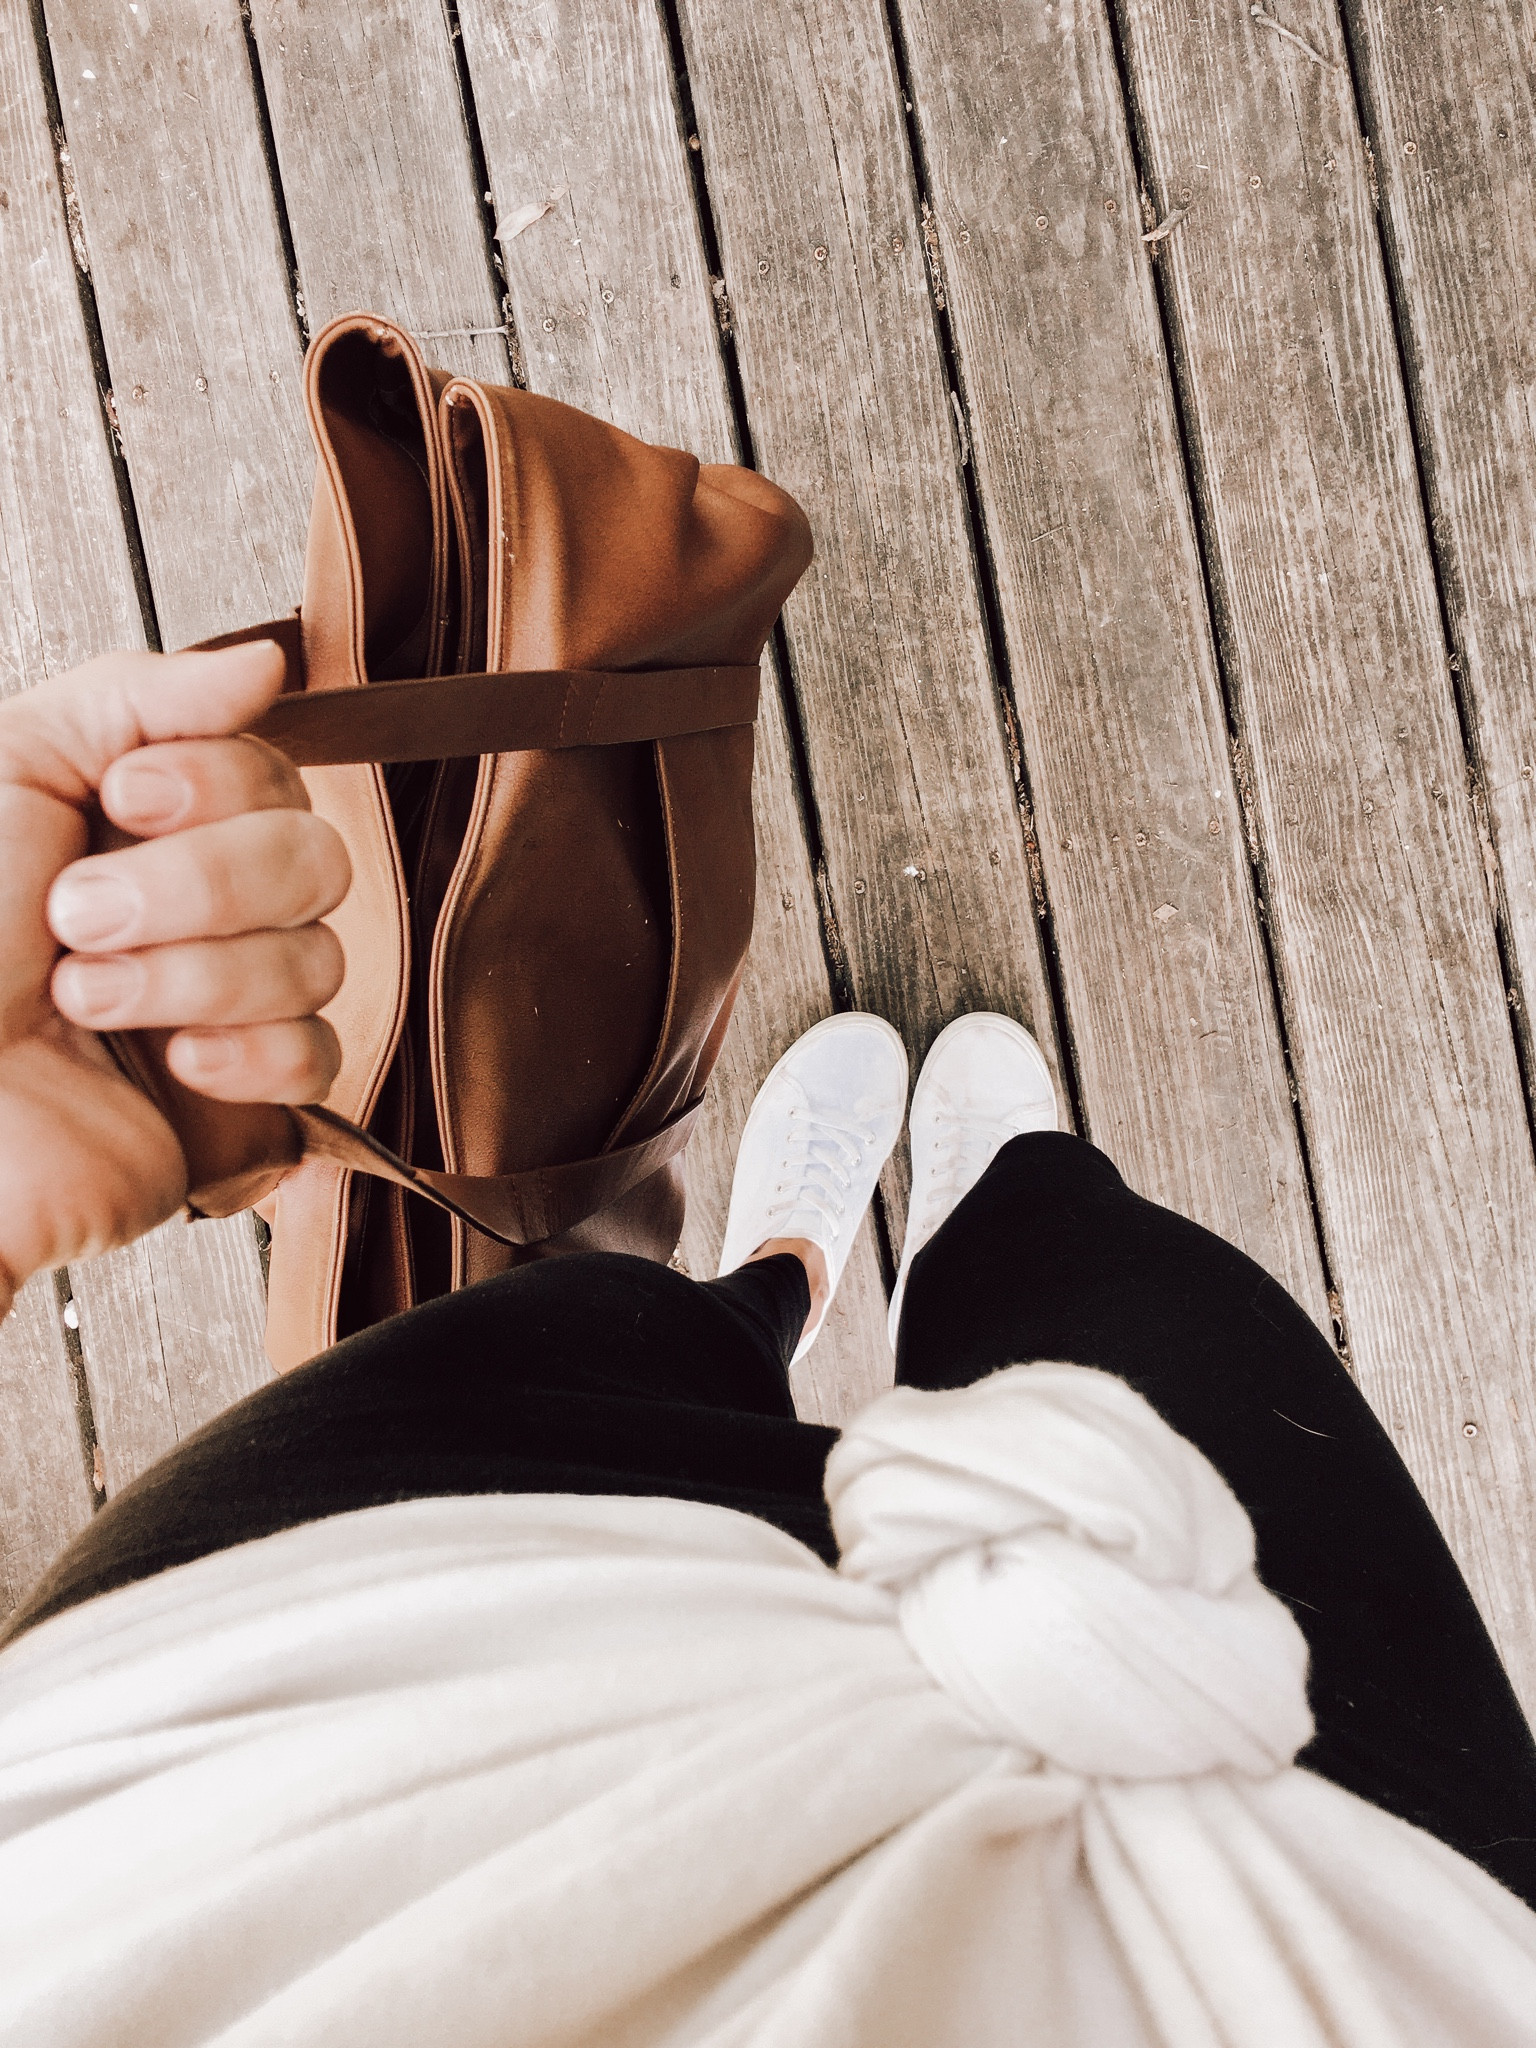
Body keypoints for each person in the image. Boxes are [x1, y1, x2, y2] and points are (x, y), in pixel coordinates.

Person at [2, 641, 1536, 2044]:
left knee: (625, 1343)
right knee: (1130, 1326)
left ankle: (779, 1280)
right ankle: (990, 1213)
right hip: (1310, 1932)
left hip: (262, 1732)